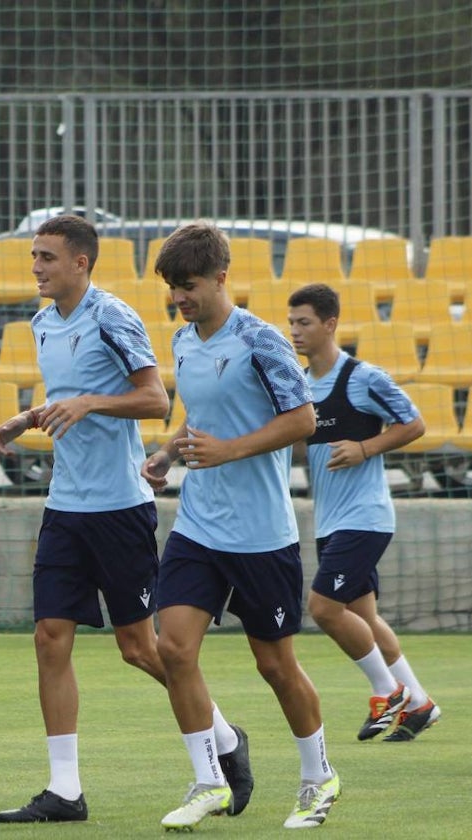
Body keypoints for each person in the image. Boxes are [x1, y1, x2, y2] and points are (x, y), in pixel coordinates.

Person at [0, 215, 253, 824]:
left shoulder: (113, 316)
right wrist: (28, 418)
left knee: (139, 647)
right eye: (34, 256)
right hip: (65, 509)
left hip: (119, 509)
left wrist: (88, 403)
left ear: (81, 263)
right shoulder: (41, 322)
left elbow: (155, 400)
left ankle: (226, 737)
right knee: (49, 639)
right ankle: (65, 791)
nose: (36, 267)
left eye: (47, 257)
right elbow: (72, 393)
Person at [141, 222, 339, 831]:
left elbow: (304, 420)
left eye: (190, 285)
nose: (181, 296)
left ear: (221, 278)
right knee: (172, 648)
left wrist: (229, 451)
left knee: (275, 666)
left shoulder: (262, 340)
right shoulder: (182, 340)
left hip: (261, 536)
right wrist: (168, 453)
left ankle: (318, 777)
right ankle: (209, 781)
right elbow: (200, 418)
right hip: (199, 527)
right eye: (174, 286)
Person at [287, 283, 440, 742]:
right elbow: (301, 445)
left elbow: (414, 423)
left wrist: (364, 447)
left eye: (304, 322)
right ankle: (419, 704)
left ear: (330, 324)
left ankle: (387, 691)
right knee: (365, 619)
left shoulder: (363, 377)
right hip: (330, 519)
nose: (295, 331)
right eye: (291, 322)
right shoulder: (300, 384)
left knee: (323, 608)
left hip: (365, 516)